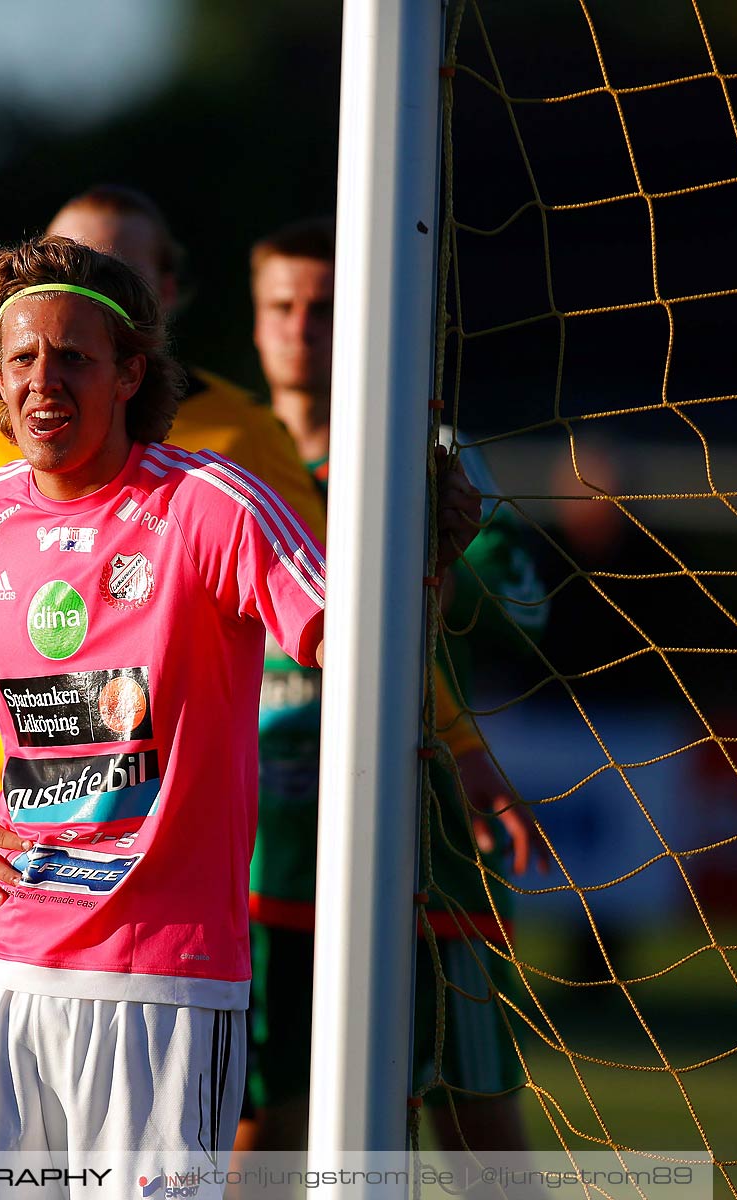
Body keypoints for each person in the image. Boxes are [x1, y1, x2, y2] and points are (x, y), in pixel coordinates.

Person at [0, 234, 482, 1183]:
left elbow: (354, 646)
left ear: (131, 372)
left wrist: (421, 573)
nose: (43, 381)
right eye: (21, 358)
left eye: (73, 357)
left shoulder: (211, 505)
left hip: (157, 980)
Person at [0, 185, 325, 994]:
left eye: (112, 269)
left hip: (163, 901)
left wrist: (458, 745)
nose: (46, 371)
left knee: (258, 1115)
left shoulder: (235, 457)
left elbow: (334, 608)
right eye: (24, 348)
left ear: (156, 299)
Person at [230, 218, 551, 1163]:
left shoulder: (428, 453)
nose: (301, 330)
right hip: (258, 857)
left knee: (476, 1133)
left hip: (419, 847)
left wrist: (444, 552)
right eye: (281, 308)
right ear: (253, 324)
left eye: (325, 309)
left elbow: (523, 608)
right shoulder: (222, 460)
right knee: (259, 1130)